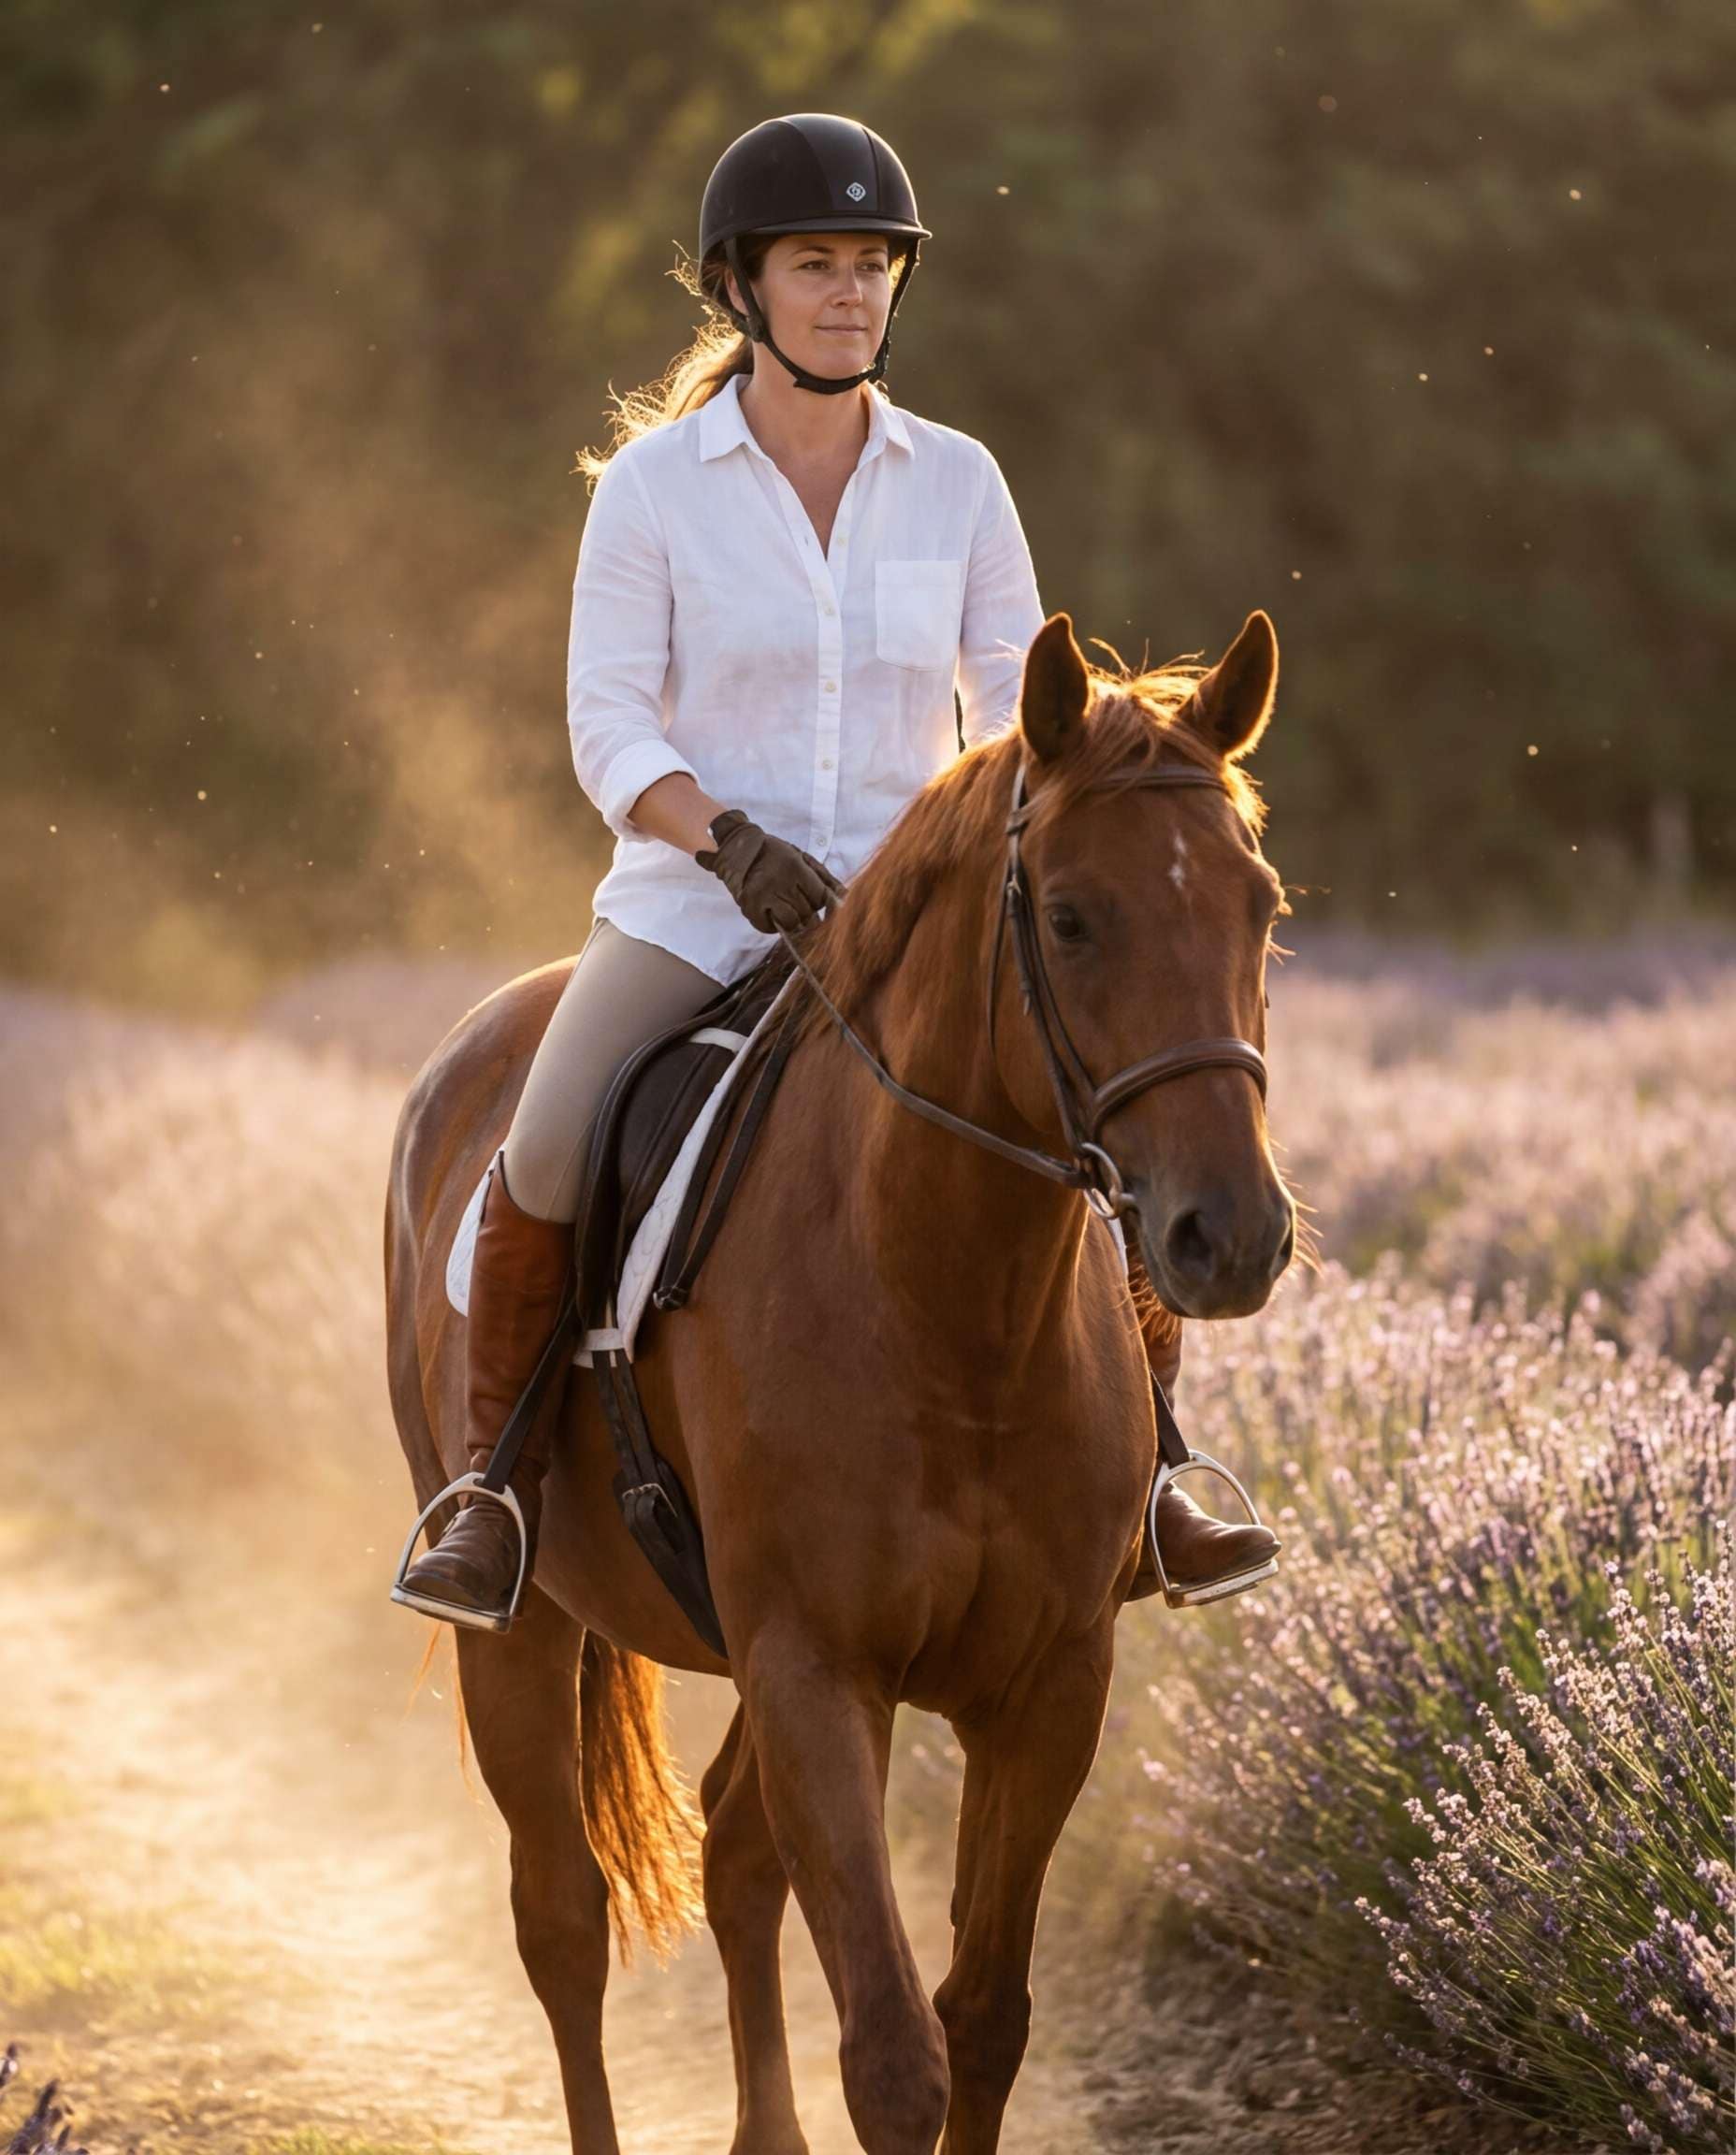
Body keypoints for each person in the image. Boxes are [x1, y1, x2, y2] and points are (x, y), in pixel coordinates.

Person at [396, 111, 1277, 1629]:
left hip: (924, 916)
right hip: (693, 907)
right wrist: (720, 839)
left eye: (875, 266)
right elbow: (605, 716)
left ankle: (1157, 1476)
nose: (853, 292)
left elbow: (1028, 705)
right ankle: (493, 1488)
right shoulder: (656, 491)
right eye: (819, 264)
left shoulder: (961, 484)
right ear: (740, 287)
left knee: (1097, 1121)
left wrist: (1140, 765)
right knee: (541, 1147)